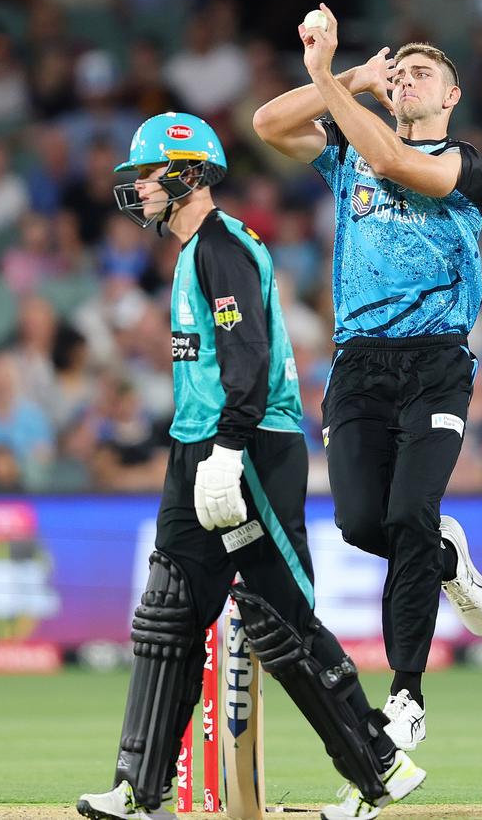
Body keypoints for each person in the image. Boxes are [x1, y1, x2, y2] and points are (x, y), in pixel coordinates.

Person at [76, 112, 426, 820]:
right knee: (168, 610)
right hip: (197, 447)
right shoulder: (192, 253)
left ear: (188, 175)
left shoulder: (222, 248)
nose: (138, 187)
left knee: (279, 616)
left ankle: (381, 765)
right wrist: (202, 451)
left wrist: (229, 449)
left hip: (250, 448)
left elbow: (251, 357)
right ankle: (141, 789)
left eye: (148, 173)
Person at [253, 5, 482, 761]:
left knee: (410, 511)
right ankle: (445, 557)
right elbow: (267, 124)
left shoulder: (467, 164)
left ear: (451, 96)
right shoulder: (348, 144)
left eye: (424, 72)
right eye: (401, 72)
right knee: (364, 523)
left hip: (435, 361)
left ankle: (406, 694)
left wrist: (329, 77)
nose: (409, 79)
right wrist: (350, 80)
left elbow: (396, 164)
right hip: (358, 360)